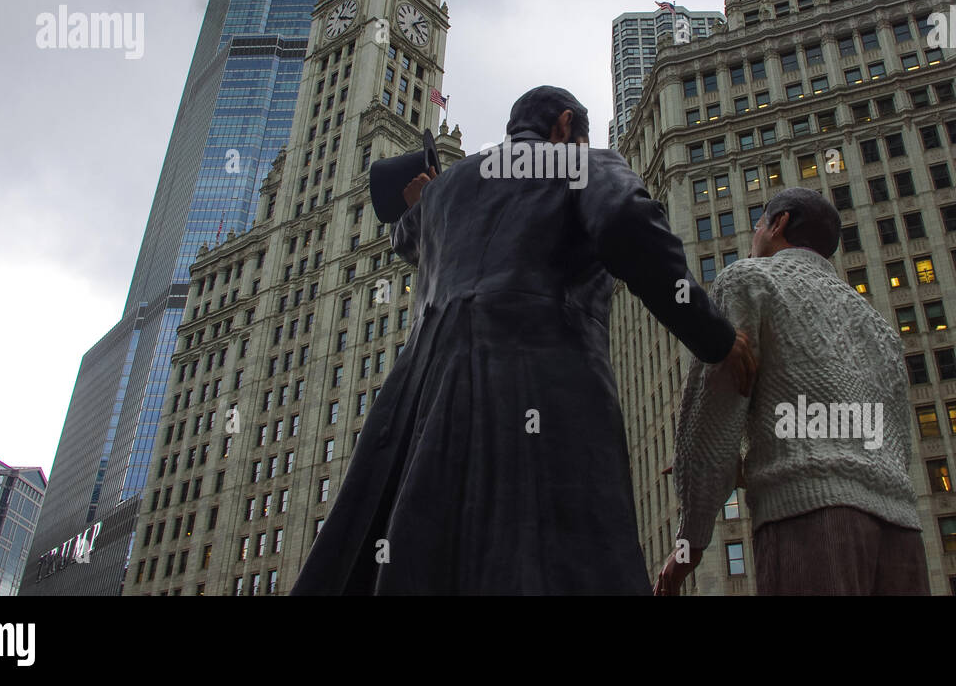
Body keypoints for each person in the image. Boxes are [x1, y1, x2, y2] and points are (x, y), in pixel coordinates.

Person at [290, 85, 752, 595]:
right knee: (565, 551)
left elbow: (407, 235)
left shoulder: (444, 192)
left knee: (428, 549)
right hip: (543, 377)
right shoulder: (582, 163)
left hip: (425, 397)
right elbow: (626, 222)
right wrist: (716, 338)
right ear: (564, 124)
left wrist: (432, 199)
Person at [655, 187, 928, 595]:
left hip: (810, 524)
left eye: (760, 222)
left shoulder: (748, 279)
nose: (755, 233)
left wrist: (687, 547)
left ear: (779, 223)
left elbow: (713, 418)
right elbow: (887, 447)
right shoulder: (880, 327)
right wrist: (745, 469)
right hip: (903, 533)